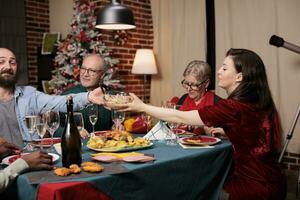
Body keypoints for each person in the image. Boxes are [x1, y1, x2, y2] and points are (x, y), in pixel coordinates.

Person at [110, 48, 287, 199]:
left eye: (224, 68)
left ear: (239, 76)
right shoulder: (254, 101)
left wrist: (142, 106)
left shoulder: (233, 107)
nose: (219, 71)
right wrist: (229, 132)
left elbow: (181, 117)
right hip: (272, 178)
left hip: (254, 186)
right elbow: (259, 132)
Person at [0, 48, 103, 147]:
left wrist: (88, 96)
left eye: (12, 62)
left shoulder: (29, 94)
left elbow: (59, 102)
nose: (8, 67)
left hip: (29, 156)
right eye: (1, 62)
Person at [61, 54, 113, 134]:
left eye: (92, 70)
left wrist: (117, 126)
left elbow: (115, 122)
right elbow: (55, 127)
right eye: (83, 69)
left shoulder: (110, 96)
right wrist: (71, 131)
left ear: (102, 75)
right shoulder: (68, 96)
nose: (85, 74)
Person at [170, 60, 223, 135]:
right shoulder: (183, 99)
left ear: (206, 83)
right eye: (186, 83)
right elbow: (172, 126)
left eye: (194, 85)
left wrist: (202, 127)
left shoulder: (218, 103)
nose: (188, 89)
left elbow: (224, 136)